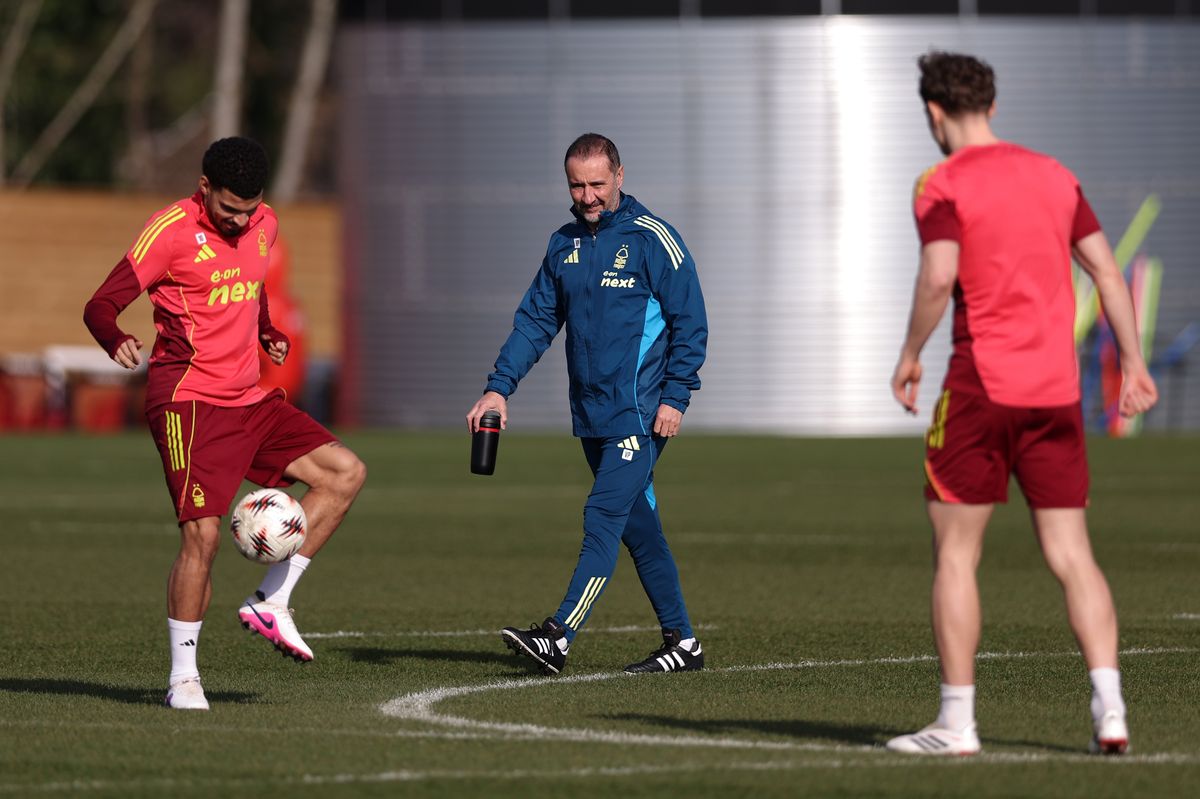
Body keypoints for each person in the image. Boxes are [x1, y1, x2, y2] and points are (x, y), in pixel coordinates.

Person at [887, 52, 1158, 756]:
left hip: (982, 389)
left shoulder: (940, 182)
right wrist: (1132, 362)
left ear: (935, 114)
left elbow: (939, 275)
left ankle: (957, 721)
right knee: (1073, 554)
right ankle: (1111, 709)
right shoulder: (1053, 174)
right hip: (1056, 393)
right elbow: (1103, 268)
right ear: (995, 106)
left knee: (956, 553)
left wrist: (911, 352)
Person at [83, 137, 367, 710]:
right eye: (229, 209)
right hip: (186, 402)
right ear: (204, 186)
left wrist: (264, 328)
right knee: (204, 537)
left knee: (344, 473)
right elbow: (100, 304)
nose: (241, 221)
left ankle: (271, 600)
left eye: (250, 208)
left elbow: (253, 284)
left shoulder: (264, 222)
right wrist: (114, 338)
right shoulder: (168, 230)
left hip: (247, 397)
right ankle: (183, 678)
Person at [466, 133, 708, 676]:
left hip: (642, 413)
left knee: (602, 515)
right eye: (577, 184)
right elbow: (535, 322)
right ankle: (683, 643)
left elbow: (691, 322)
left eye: (598, 183)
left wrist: (676, 396)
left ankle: (558, 636)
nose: (588, 195)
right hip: (592, 415)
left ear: (620, 176)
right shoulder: (564, 244)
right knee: (638, 527)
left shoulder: (654, 239)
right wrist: (498, 387)